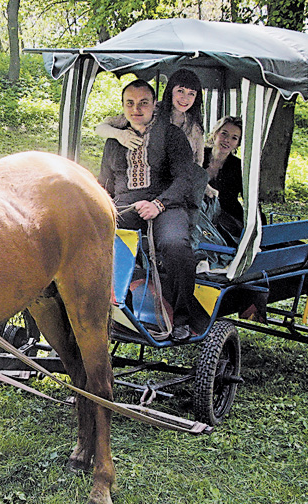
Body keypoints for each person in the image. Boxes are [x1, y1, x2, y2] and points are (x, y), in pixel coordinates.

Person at [97, 79, 202, 341]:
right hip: (125, 206)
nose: (136, 109)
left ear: (154, 105)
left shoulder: (171, 135)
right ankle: (117, 309)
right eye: (130, 103)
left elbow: (184, 180)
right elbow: (105, 183)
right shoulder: (115, 139)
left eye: (143, 103)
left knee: (175, 246)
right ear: (123, 107)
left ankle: (182, 319)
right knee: (93, 241)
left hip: (166, 205)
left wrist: (158, 204)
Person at [95, 68, 206, 165]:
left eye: (191, 93)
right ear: (170, 90)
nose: (185, 98)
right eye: (180, 91)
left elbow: (198, 163)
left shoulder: (194, 127)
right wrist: (119, 135)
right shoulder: (151, 110)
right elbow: (100, 128)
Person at [203, 116, 244, 242]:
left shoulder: (239, 166)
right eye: (224, 134)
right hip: (199, 213)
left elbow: (250, 198)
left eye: (234, 138)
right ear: (215, 134)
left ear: (238, 143)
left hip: (227, 219)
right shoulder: (199, 154)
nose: (227, 140)